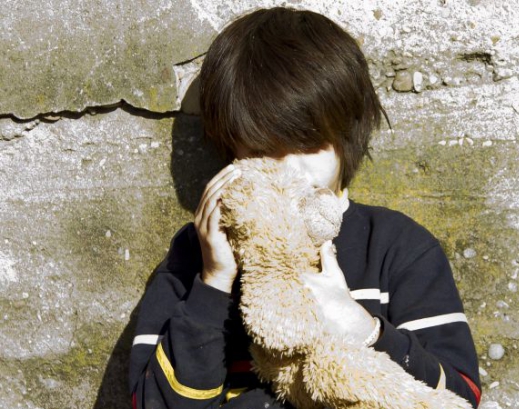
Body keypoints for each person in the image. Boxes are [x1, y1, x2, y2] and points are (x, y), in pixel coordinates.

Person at [128, 7, 481, 409]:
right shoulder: (198, 252)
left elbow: (460, 396)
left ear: (346, 134)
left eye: (308, 145)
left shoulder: (398, 246)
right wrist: (213, 284)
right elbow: (151, 403)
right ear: (230, 150)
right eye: (261, 150)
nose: (289, 171)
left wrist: (365, 329)